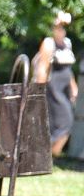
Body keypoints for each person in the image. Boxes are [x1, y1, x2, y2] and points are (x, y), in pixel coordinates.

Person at [35, 11, 78, 156]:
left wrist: (73, 86)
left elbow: (68, 69)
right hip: (53, 89)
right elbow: (43, 68)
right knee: (64, 123)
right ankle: (50, 155)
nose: (62, 30)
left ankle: (53, 155)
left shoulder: (67, 43)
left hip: (64, 89)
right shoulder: (49, 43)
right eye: (59, 27)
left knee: (66, 124)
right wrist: (39, 93)